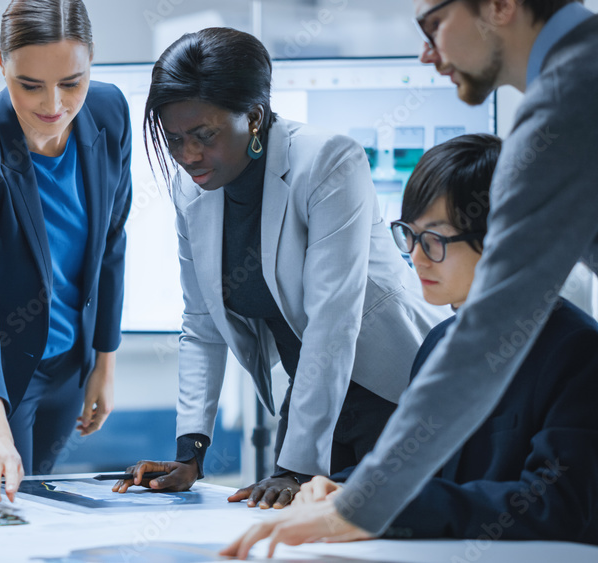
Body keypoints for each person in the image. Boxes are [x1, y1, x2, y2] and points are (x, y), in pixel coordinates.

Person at [222, 0, 598, 556]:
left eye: (434, 25)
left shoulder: (572, 94)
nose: (427, 53)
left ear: (500, 6)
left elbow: (494, 324)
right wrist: (353, 492)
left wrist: (363, 506)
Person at [112, 28, 445, 507]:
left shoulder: (327, 162)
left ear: (253, 117)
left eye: (203, 136)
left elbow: (333, 322)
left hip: (394, 400)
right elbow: (202, 325)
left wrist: (295, 468)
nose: (187, 156)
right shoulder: (192, 192)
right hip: (308, 403)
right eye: (175, 139)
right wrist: (191, 451)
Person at [287, 133, 598, 546]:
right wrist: (341, 487)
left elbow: (558, 505)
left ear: (504, 240)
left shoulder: (577, 352)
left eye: (434, 241)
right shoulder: (438, 343)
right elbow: (407, 463)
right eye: (409, 236)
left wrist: (384, 508)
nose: (415, 257)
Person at [0, 0, 131, 504]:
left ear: (91, 62)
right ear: (2, 64)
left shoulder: (109, 111)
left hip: (67, 367)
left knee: (35, 515)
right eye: (30, 85)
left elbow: (111, 239)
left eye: (71, 82)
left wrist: (104, 359)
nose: (54, 105)